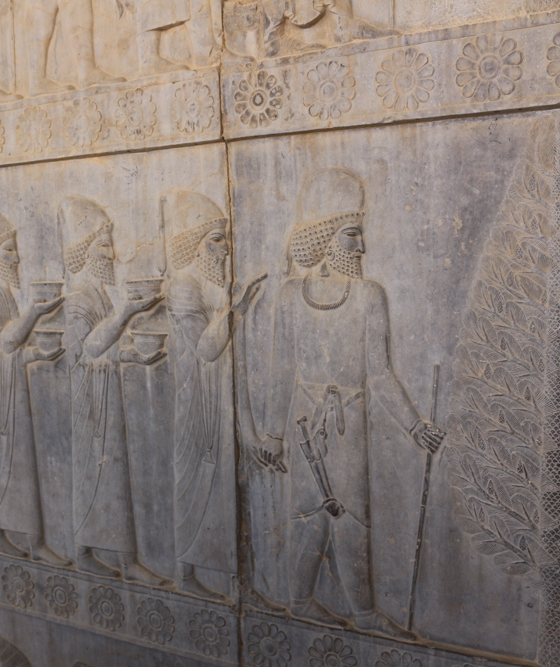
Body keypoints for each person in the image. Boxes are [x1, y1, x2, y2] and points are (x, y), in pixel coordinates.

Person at [258, 168, 443, 637]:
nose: (361, 247)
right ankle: (300, 602)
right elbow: (281, 371)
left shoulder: (368, 297)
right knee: (308, 512)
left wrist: (414, 425)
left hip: (350, 424)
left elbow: (380, 376)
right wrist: (272, 434)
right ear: (325, 237)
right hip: (305, 423)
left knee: (353, 518)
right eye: (351, 234)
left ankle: (363, 613)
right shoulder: (288, 297)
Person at [62, 195, 169, 586]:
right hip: (89, 402)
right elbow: (88, 348)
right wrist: (127, 312)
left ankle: (112, 556)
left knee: (112, 474)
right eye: (103, 246)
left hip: (104, 393)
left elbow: (104, 348)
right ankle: (92, 554)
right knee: (98, 474)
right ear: (85, 252)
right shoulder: (80, 295)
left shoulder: (98, 292)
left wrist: (135, 357)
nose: (111, 254)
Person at [162, 190, 260, 599]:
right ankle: (187, 574)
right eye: (216, 240)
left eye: (225, 239)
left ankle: (234, 578)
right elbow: (205, 348)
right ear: (194, 244)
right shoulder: (184, 285)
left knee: (225, 486)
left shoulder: (214, 283)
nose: (225, 249)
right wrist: (235, 310)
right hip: (195, 402)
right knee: (198, 484)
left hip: (221, 397)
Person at [0, 206, 68, 564]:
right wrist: (35, 312)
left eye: (14, 249)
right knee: (7, 462)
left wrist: (40, 356)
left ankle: (16, 536)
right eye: (8, 251)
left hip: (11, 387)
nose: (16, 257)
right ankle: (19, 538)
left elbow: (13, 351)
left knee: (14, 461)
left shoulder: (2, 291)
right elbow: (6, 343)